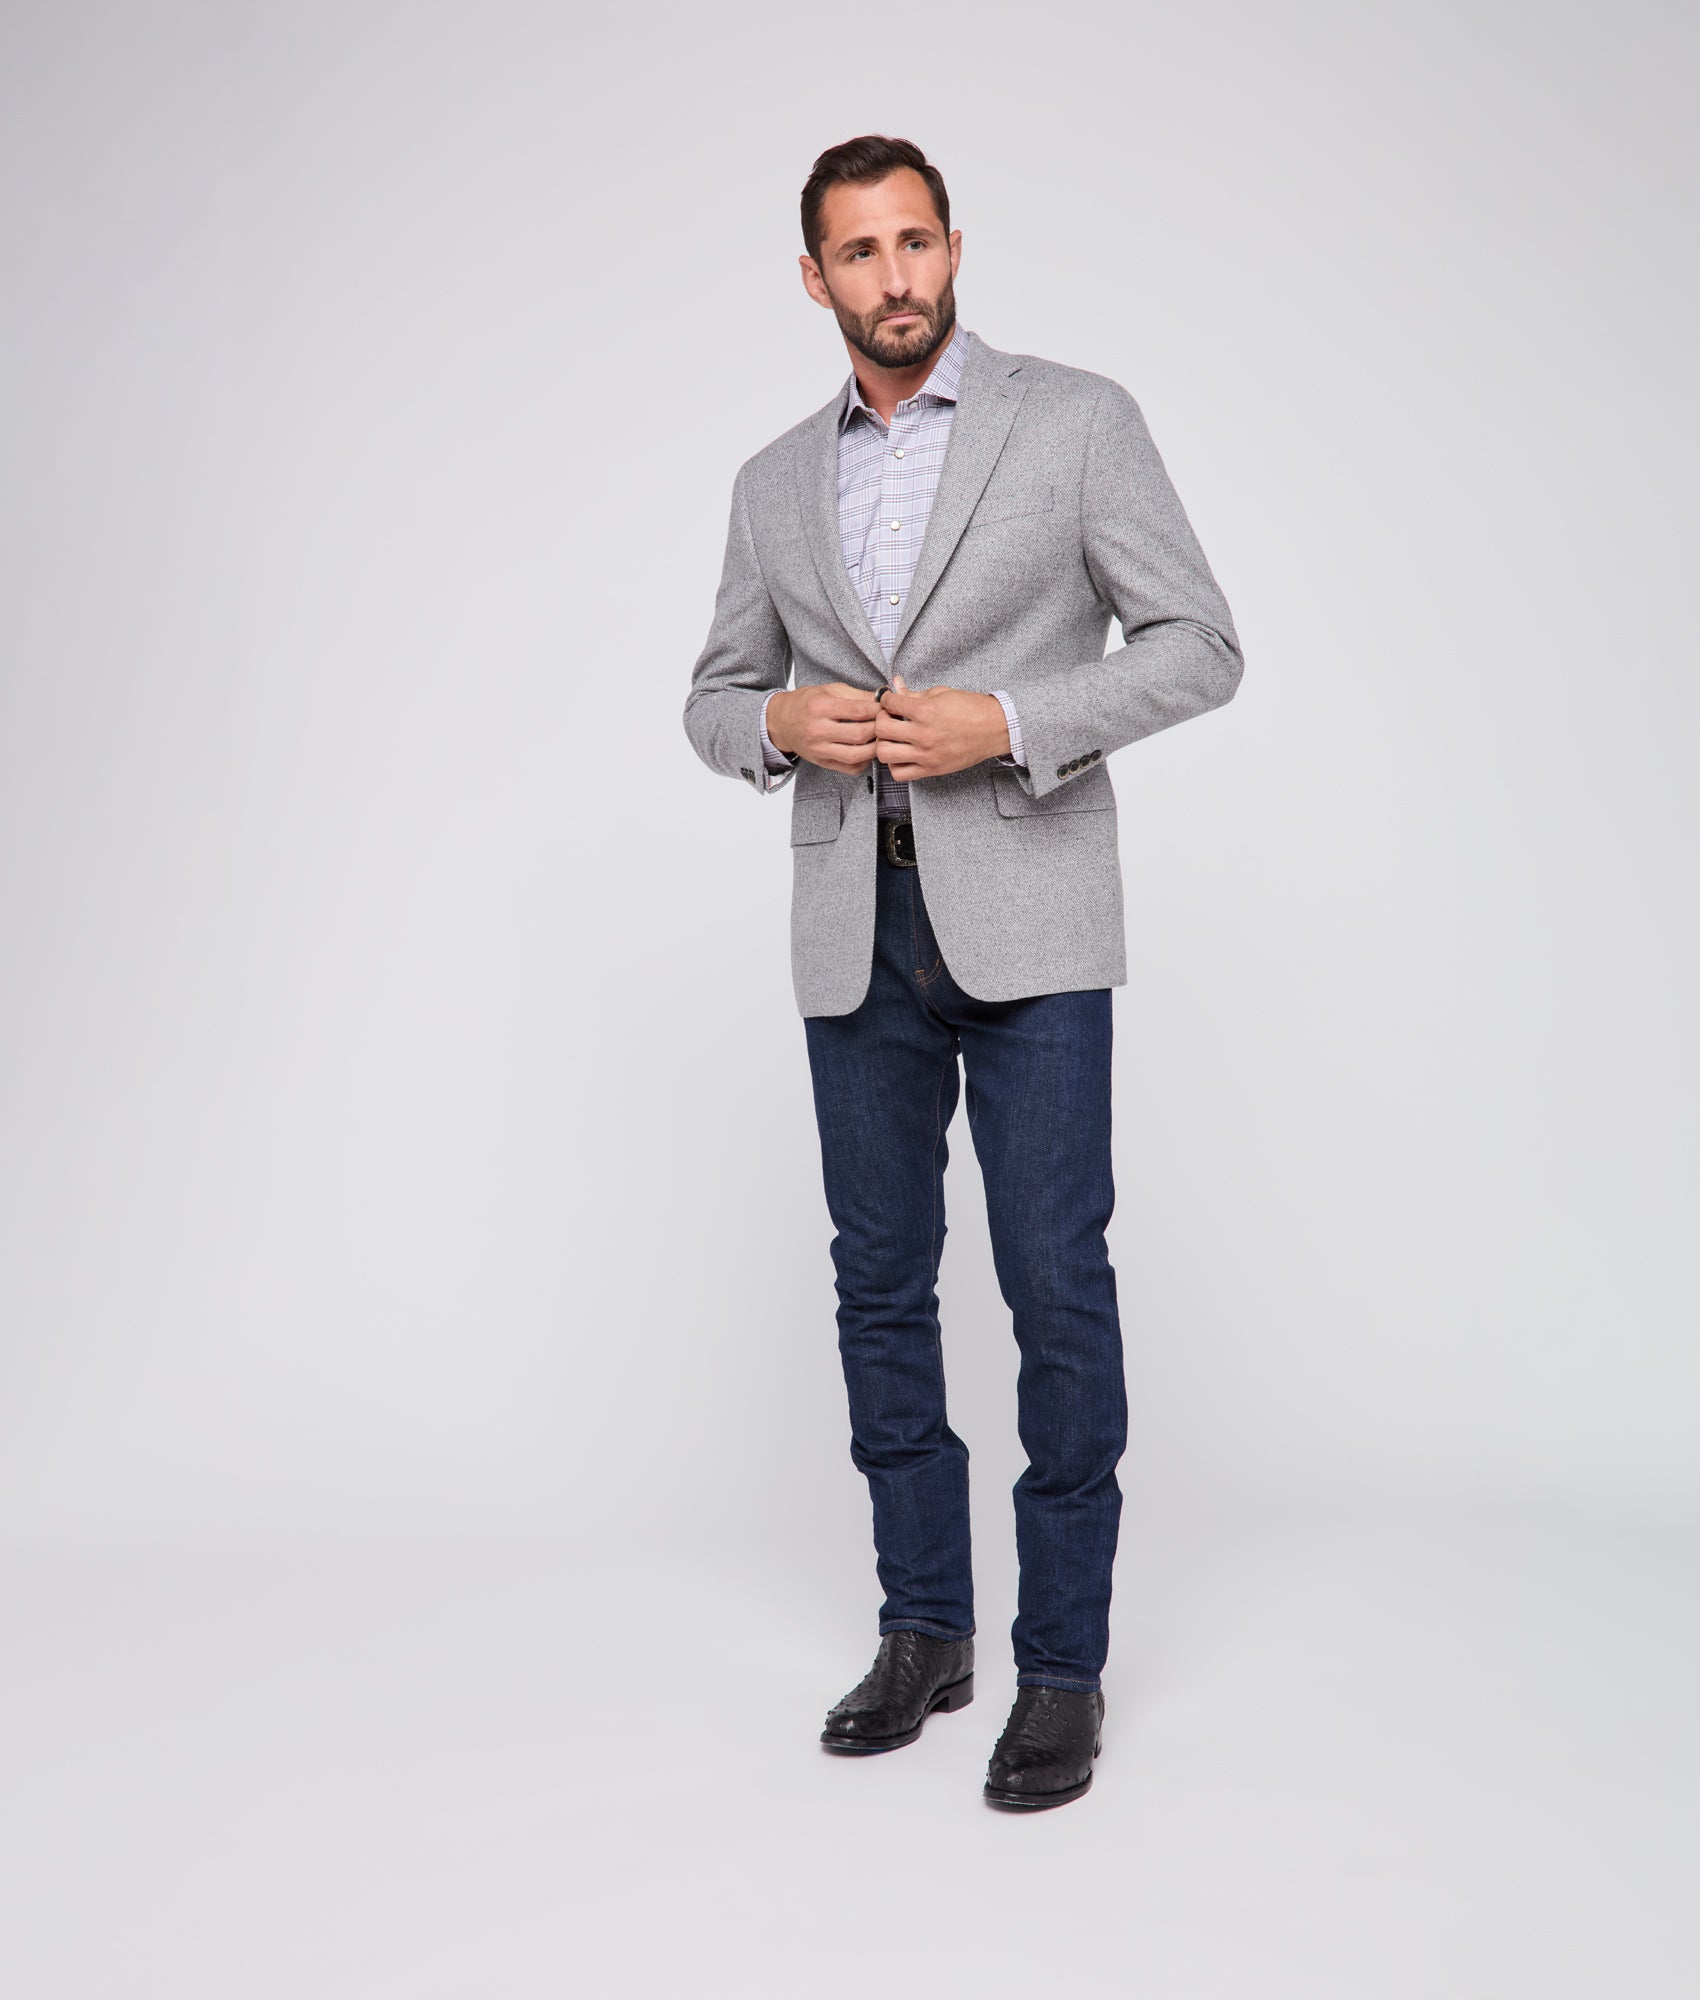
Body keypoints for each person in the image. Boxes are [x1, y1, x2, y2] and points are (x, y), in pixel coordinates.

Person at [683, 135, 1243, 1811]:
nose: (896, 276)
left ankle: (1060, 1666)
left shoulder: (1073, 423)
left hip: (1033, 919)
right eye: (860, 253)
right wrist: (775, 724)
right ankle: (924, 1627)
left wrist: (1006, 722)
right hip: (853, 931)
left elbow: (1201, 646)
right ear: (816, 280)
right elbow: (712, 697)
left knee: (1055, 1285)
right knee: (878, 1285)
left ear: (951, 247)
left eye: (915, 241)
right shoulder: (771, 482)